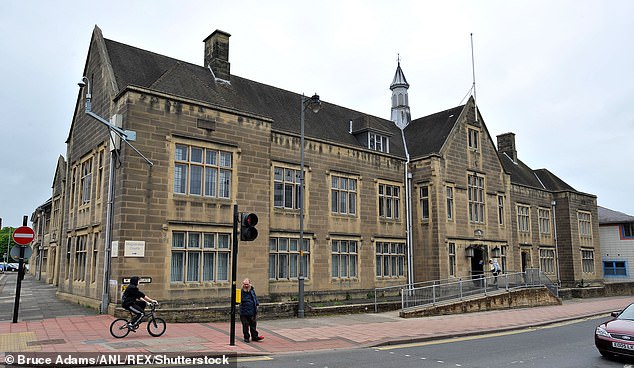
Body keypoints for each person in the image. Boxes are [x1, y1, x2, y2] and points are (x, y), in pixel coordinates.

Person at [240, 278, 263, 343]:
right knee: (245, 325)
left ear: (249, 284)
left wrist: (257, 304)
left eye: (247, 284)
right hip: (244, 312)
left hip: (252, 311)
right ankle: (246, 337)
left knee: (253, 325)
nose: (246, 286)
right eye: (245, 284)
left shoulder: (252, 290)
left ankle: (255, 337)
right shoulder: (241, 291)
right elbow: (238, 300)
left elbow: (255, 298)